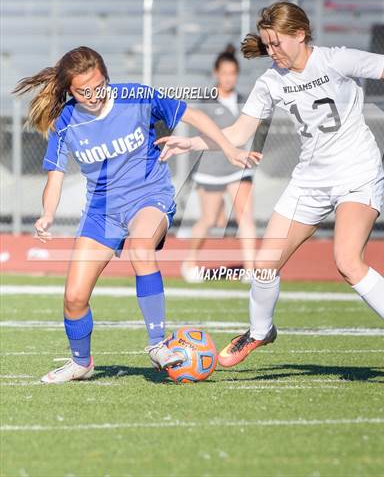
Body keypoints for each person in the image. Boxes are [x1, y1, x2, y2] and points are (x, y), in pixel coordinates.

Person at [156, 1, 384, 377]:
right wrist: (194, 143)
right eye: (267, 44)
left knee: (347, 262)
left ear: (300, 35)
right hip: (309, 180)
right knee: (265, 266)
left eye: (277, 43)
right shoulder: (270, 81)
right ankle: (260, 332)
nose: (272, 51)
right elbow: (239, 133)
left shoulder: (336, 60)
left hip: (356, 173)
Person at [14, 46, 260, 384]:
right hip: (102, 210)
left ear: (107, 77)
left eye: (99, 86)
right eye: (84, 91)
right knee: (73, 298)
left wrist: (229, 148)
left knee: (140, 247)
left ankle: (158, 344)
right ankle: (80, 363)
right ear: (69, 90)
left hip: (149, 196)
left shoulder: (135, 96)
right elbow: (54, 177)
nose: (94, 95)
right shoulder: (66, 121)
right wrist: (47, 214)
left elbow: (194, 116)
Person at [181, 44, 256, 283]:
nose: (228, 78)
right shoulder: (207, 102)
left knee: (245, 216)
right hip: (211, 171)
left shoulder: (244, 101)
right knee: (210, 220)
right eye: (224, 73)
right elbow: (204, 137)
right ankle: (190, 262)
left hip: (237, 167)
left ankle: (251, 269)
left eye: (232, 73)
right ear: (216, 73)